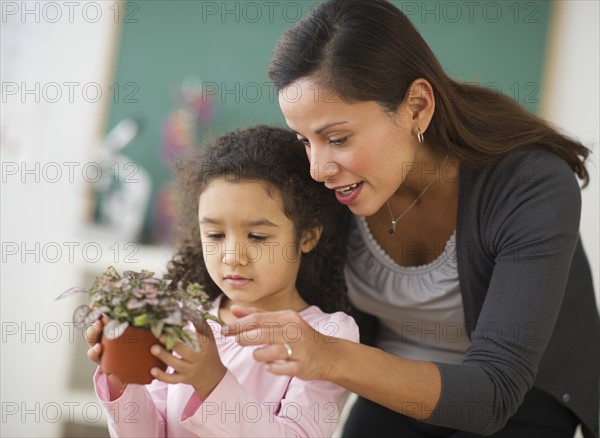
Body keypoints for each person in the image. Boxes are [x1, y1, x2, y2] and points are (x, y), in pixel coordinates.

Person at [221, 1, 600, 437]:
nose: (317, 169)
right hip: (393, 389)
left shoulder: (531, 185)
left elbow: (493, 394)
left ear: (416, 107)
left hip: (519, 402)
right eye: (304, 140)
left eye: (338, 138)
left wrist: (330, 356)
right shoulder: (332, 186)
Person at [85, 125, 359, 437]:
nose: (232, 256)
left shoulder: (329, 335)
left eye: (256, 236)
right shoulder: (183, 320)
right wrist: (122, 378)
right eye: (215, 235)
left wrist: (212, 380)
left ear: (307, 236)